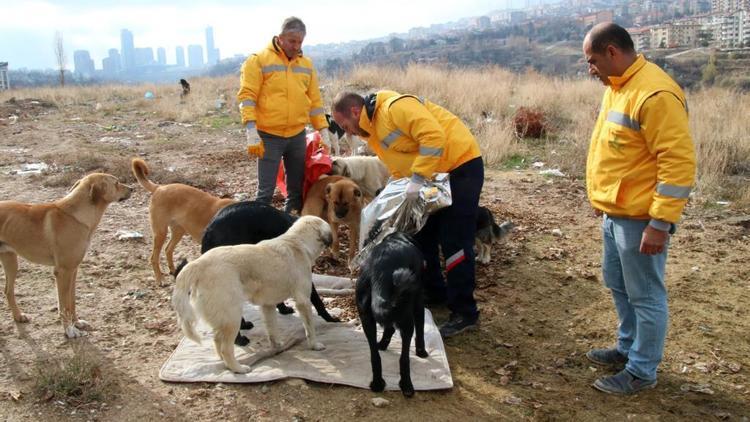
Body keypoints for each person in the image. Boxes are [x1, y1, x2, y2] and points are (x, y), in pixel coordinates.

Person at [583, 22, 696, 394]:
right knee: (618, 284)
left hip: (641, 220)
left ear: (612, 52)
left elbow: (677, 164)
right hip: (616, 214)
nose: (591, 69)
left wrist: (660, 223)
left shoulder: (655, 93)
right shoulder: (619, 87)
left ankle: (642, 371)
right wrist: (603, 200)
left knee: (646, 295)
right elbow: (619, 153)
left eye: (593, 60)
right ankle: (628, 346)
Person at [332, 90, 483, 338]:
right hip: (432, 178)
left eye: (344, 124)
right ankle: (435, 292)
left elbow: (433, 137)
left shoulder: (394, 108)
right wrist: (397, 188)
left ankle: (465, 312)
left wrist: (418, 176)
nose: (346, 131)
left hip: (459, 167)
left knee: (454, 241)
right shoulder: (372, 132)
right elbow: (400, 161)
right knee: (422, 234)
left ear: (355, 112)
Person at [237, 17, 331, 214]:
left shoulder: (306, 65)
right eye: (291, 41)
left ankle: (290, 228)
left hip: (297, 135)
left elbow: (314, 101)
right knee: (265, 191)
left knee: (296, 190)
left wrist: (323, 129)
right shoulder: (258, 61)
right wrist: (251, 129)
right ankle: (258, 233)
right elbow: (247, 96)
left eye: (300, 42)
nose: (296, 46)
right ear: (280, 38)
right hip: (268, 136)